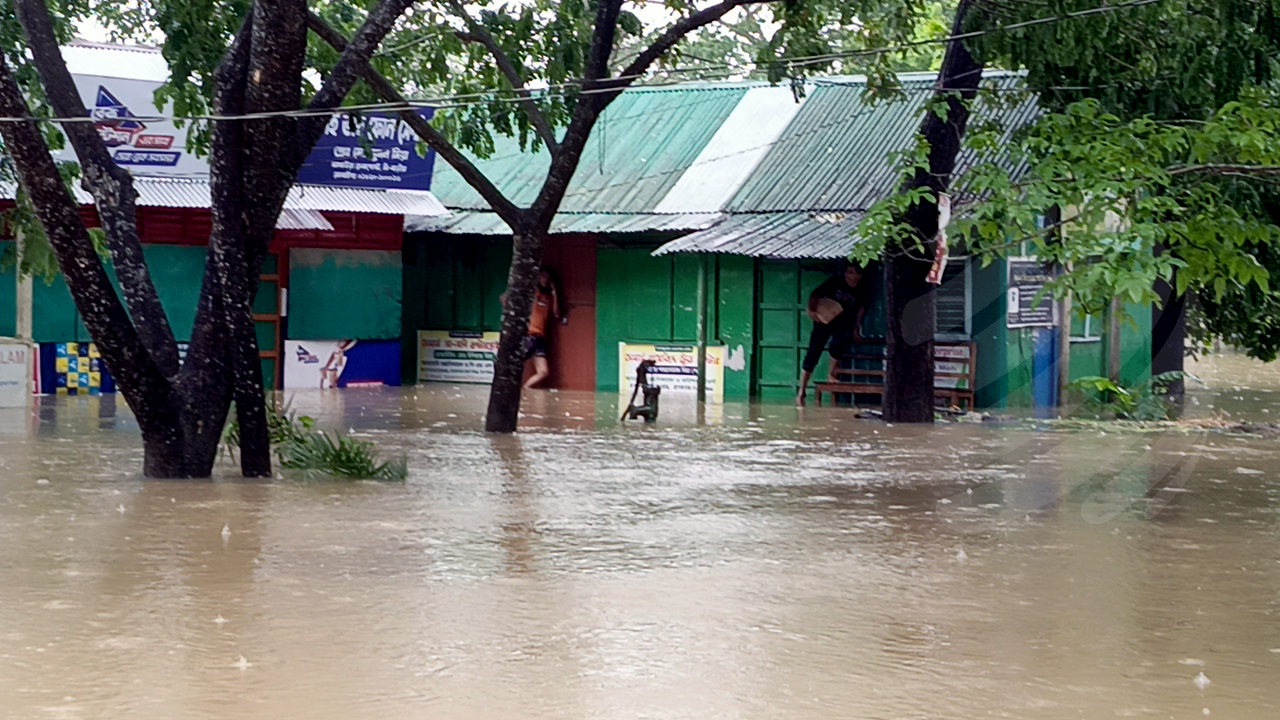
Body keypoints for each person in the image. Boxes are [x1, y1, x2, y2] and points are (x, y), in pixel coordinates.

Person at [796, 263, 868, 405]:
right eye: (847, 271)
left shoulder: (861, 290)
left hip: (843, 323)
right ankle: (801, 391)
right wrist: (811, 311)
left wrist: (857, 328)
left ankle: (831, 376)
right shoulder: (835, 282)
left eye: (851, 272)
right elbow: (815, 294)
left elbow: (861, 309)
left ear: (858, 276)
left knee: (837, 346)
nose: (847, 274)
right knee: (813, 354)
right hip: (824, 321)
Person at [502, 267, 561, 389]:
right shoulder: (531, 292)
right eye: (543, 277)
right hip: (529, 335)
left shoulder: (548, 296)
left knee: (543, 372)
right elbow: (504, 298)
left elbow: (556, 314)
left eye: (548, 278)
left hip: (540, 337)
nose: (546, 280)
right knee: (515, 363)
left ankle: (526, 389)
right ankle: (506, 386)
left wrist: (554, 293)